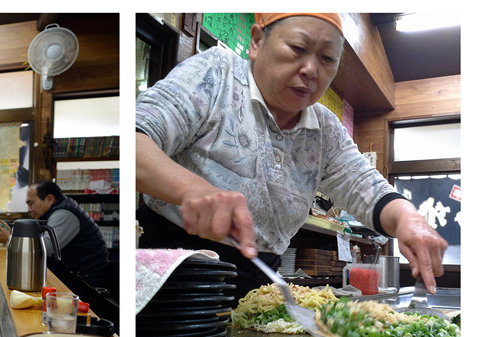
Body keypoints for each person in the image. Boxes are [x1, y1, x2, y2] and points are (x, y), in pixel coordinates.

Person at [136, 13, 445, 299]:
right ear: (257, 42)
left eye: (327, 58)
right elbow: (134, 138)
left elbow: (364, 185)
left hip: (260, 279)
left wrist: (409, 219)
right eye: (297, 48)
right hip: (172, 267)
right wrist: (192, 189)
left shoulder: (324, 128)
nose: (311, 70)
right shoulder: (217, 73)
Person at [0, 181, 113, 294]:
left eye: (31, 203)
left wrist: (10, 238)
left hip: (86, 284)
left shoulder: (65, 214)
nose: (29, 209)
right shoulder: (56, 210)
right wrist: (13, 233)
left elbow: (46, 247)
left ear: (49, 199)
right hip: (73, 277)